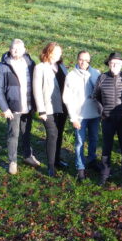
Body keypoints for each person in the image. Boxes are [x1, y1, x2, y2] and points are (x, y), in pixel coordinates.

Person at [0, 39, 40, 175]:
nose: (16, 51)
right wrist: (5, 108)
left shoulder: (30, 63)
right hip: (13, 107)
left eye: (19, 49)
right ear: (9, 49)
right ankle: (12, 161)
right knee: (14, 134)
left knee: (26, 132)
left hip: (29, 106)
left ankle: (27, 156)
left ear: (24, 49)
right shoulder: (2, 66)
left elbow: (36, 84)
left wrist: (36, 104)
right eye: (13, 48)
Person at [92, 52, 122, 183]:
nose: (114, 65)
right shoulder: (102, 78)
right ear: (108, 64)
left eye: (117, 63)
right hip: (107, 119)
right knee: (107, 147)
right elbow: (95, 96)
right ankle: (105, 173)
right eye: (112, 63)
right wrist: (101, 111)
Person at [62, 50, 101, 181]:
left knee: (94, 139)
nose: (83, 62)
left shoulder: (96, 73)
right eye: (81, 59)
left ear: (90, 61)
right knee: (79, 142)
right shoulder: (71, 76)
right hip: (79, 116)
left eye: (86, 60)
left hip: (94, 114)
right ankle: (80, 167)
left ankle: (91, 160)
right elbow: (67, 98)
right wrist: (73, 118)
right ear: (77, 60)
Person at [33, 42, 68, 177]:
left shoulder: (62, 67)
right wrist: (41, 110)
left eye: (60, 52)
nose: (58, 55)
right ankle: (51, 165)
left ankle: (58, 160)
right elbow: (37, 90)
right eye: (55, 52)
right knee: (52, 134)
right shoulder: (40, 68)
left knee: (59, 133)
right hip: (48, 108)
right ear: (48, 52)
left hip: (62, 107)